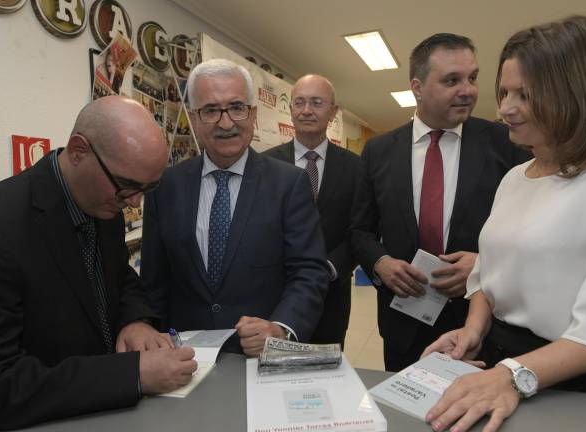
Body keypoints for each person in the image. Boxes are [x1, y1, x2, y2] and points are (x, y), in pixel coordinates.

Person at [423, 16, 586, 432]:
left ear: (576, 92)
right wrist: (472, 330)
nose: (504, 109)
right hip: (504, 366)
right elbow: (493, 272)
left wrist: (512, 374)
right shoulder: (515, 177)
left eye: (526, 94)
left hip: (583, 384)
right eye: (504, 92)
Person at [0, 96, 198, 431]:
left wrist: (135, 321)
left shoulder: (103, 203)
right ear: (80, 150)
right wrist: (133, 374)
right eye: (127, 186)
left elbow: (119, 280)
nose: (135, 202)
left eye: (148, 188)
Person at [351, 33, 530, 371]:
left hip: (481, 325)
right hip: (403, 320)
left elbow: (528, 232)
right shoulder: (379, 151)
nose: (468, 90)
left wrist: (483, 263)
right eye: (452, 80)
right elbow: (360, 230)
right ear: (417, 87)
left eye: (472, 78)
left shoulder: (505, 144)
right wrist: (381, 263)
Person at [140, 59, 328, 357]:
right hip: (184, 359)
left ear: (252, 114)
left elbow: (309, 271)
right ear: (194, 116)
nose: (226, 123)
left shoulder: (289, 183)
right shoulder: (164, 186)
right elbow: (153, 279)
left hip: (259, 358)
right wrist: (146, 328)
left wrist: (280, 329)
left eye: (237, 107)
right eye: (211, 110)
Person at [265, 74, 360, 346]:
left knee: (328, 369)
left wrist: (330, 267)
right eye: (299, 102)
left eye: (316, 103)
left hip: (332, 295)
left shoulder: (356, 168)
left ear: (333, 111)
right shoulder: (264, 164)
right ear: (291, 109)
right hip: (276, 294)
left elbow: (361, 228)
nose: (306, 111)